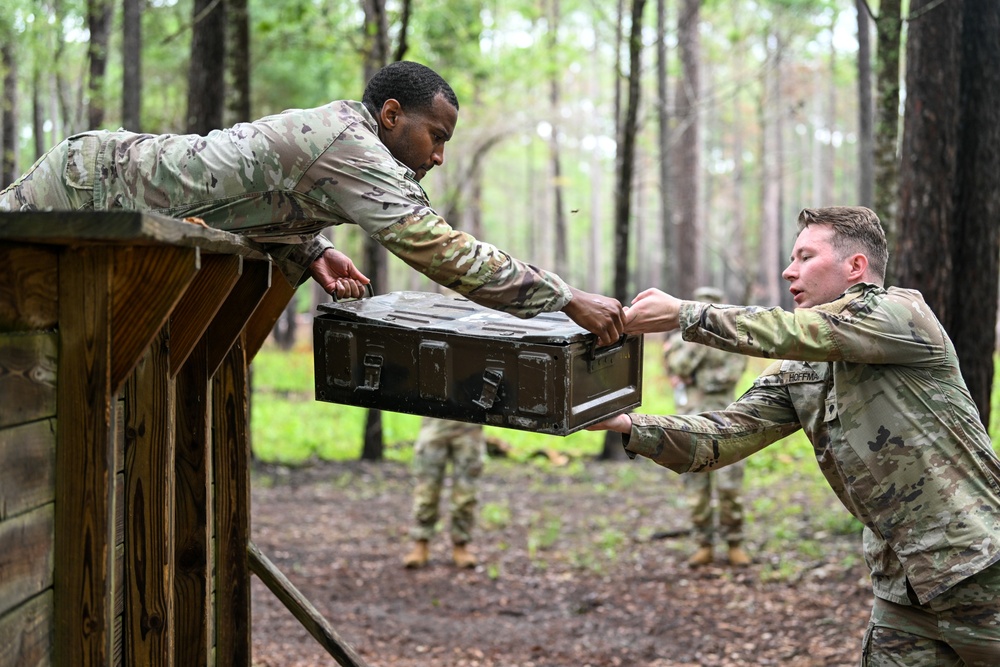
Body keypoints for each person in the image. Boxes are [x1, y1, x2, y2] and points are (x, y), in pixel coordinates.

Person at [590, 206, 1000, 665]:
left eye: (805, 256)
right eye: (791, 258)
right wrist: (627, 425)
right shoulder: (801, 369)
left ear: (856, 267)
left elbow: (793, 330)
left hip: (981, 569)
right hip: (901, 591)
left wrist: (686, 314)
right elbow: (724, 436)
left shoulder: (901, 315)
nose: (789, 271)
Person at [0, 61, 623, 346]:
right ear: (391, 114)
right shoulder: (352, 146)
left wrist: (313, 247)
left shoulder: (348, 140)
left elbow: (264, 186)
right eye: (436, 138)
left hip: (113, 196)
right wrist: (566, 298)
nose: (438, 156)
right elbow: (443, 251)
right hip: (91, 183)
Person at [663, 286, 749, 567]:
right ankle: (703, 544)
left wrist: (696, 377)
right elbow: (678, 367)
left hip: (726, 421)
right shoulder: (680, 339)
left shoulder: (732, 339)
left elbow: (729, 375)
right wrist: (697, 344)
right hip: (689, 422)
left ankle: (734, 542)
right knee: (695, 488)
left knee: (728, 487)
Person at [403, 418, 485, 569]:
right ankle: (421, 543)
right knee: (426, 490)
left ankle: (461, 545)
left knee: (466, 493)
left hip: (469, 425)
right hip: (434, 424)